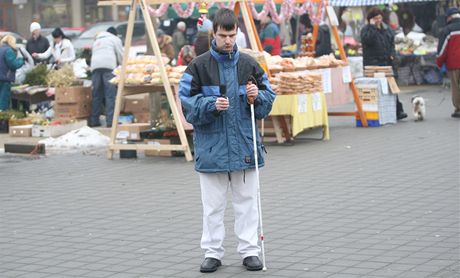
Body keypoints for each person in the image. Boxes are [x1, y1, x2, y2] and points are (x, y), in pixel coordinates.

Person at [178, 8, 276, 273]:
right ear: (214, 34)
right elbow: (186, 104)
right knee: (213, 207)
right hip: (212, 149)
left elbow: (269, 99)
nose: (228, 41)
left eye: (232, 35)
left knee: (247, 204)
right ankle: (212, 252)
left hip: (244, 146)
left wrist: (258, 97)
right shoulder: (197, 66)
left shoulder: (250, 64)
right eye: (223, 36)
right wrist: (211, 104)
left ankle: (250, 250)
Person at [361, 7, 407, 120]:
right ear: (370, 19)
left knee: (392, 86)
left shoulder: (387, 29)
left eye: (379, 17)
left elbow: (392, 43)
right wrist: (372, 27)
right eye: (375, 18)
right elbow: (367, 40)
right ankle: (380, 111)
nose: (378, 20)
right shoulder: (366, 30)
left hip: (387, 62)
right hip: (373, 64)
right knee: (378, 89)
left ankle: (398, 111)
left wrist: (392, 54)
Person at [90, 27, 123, 128]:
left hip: (95, 67)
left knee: (96, 95)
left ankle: (94, 121)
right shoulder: (115, 39)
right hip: (108, 67)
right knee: (110, 94)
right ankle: (110, 121)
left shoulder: (97, 41)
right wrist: (123, 68)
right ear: (115, 34)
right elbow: (121, 55)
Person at [436, 7, 460, 118]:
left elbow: (442, 50)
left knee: (456, 87)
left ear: (449, 17)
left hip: (454, 64)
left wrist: (438, 63)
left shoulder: (447, 30)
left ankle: (458, 109)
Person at [0, 35, 24, 110]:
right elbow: (14, 64)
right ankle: (2, 120)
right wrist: (21, 60)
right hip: (5, 79)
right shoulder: (8, 50)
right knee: (3, 102)